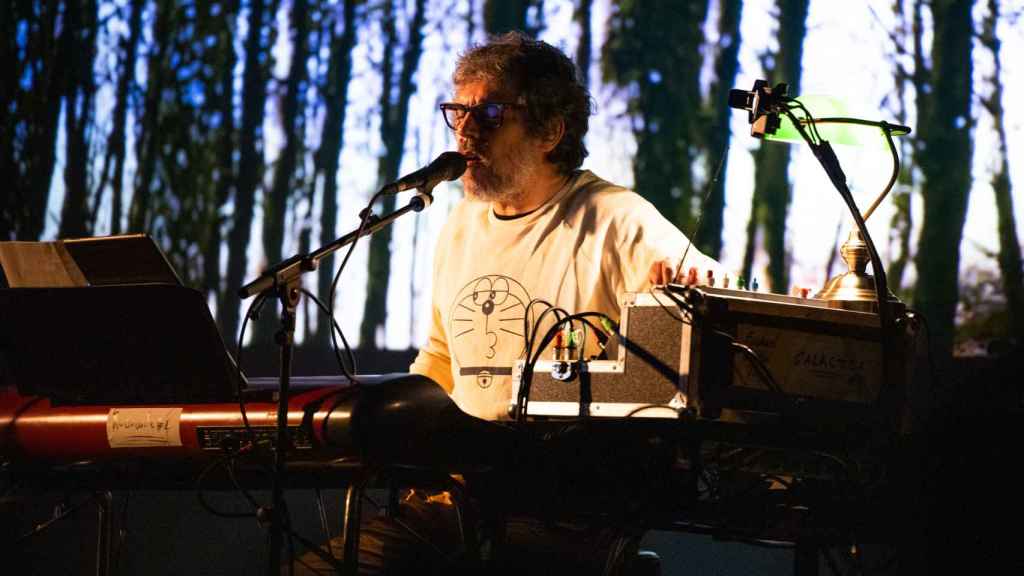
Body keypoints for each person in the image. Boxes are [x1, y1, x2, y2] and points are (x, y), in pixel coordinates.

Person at [296, 31, 723, 576]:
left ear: (550, 130)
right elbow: (440, 357)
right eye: (458, 112)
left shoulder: (616, 217)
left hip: (559, 513)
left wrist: (694, 289)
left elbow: (707, 291)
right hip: (450, 505)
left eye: (491, 113)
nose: (466, 131)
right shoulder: (459, 226)